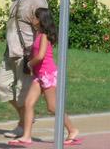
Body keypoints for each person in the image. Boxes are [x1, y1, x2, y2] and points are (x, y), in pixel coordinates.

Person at [10, 8, 80, 147]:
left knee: (53, 107)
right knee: (28, 103)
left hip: (47, 75)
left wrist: (30, 63)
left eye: (35, 17)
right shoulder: (38, 34)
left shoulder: (43, 36)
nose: (32, 19)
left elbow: (41, 56)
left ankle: (72, 130)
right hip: (39, 76)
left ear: (40, 20)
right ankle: (26, 136)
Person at [0, 0, 47, 139]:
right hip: (10, 51)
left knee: (23, 94)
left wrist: (36, 56)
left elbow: (44, 29)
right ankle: (25, 120)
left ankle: (23, 127)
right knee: (2, 87)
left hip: (26, 55)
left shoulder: (38, 1)